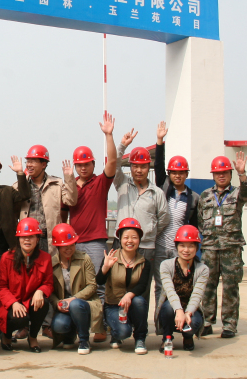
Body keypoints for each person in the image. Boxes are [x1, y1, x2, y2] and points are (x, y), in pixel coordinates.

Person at [62, 112, 117, 343]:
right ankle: (78, 325)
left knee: (98, 285)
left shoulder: (100, 182)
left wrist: (109, 135)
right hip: (74, 243)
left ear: (93, 164)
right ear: (74, 166)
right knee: (76, 285)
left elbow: (112, 162)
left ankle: (100, 326)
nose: (83, 168)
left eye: (87, 164)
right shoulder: (70, 185)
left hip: (95, 241)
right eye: (79, 165)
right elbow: (63, 212)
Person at [198, 153, 247, 339]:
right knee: (207, 286)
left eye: (225, 172)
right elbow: (200, 221)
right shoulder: (205, 196)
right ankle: (207, 322)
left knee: (230, 287)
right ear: (213, 175)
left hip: (231, 248)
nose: (221, 176)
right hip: (210, 249)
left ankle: (229, 325)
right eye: (218, 173)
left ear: (230, 174)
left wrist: (242, 173)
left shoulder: (237, 193)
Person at [114, 130, 170, 312]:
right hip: (121, 245)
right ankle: (119, 323)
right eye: (135, 166)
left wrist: (149, 232)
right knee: (117, 287)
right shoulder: (122, 183)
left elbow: (164, 218)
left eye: (143, 166)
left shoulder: (157, 193)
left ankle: (140, 326)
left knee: (142, 290)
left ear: (149, 167)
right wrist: (122, 146)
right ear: (130, 167)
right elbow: (113, 164)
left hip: (146, 247)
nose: (139, 170)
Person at [0, 218, 54, 353]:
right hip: (10, 303)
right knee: (19, 318)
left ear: (37, 239)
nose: (27, 240)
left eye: (31, 236)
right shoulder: (7, 257)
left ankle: (32, 337)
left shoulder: (45, 258)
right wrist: (13, 303)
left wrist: (41, 291)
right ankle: (6, 336)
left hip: (30, 301)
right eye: (23, 237)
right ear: (18, 239)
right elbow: (1, 286)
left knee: (43, 303)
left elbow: (48, 283)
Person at [97, 218, 152, 355]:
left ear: (139, 240)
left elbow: (142, 286)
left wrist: (129, 295)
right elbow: (99, 281)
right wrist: (105, 268)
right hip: (113, 305)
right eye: (126, 237)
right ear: (120, 239)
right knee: (123, 332)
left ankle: (140, 338)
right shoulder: (111, 257)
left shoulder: (144, 262)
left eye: (134, 237)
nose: (130, 241)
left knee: (139, 301)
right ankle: (116, 333)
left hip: (133, 305)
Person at [153, 121, 201, 275]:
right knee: (160, 282)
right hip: (160, 246)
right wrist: (160, 141)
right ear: (169, 174)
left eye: (181, 173)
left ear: (186, 174)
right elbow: (158, 165)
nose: (177, 176)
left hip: (178, 249)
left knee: (178, 281)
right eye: (174, 173)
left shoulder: (194, 198)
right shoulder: (164, 187)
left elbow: (194, 225)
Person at [48, 224, 103, 355]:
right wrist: (57, 303)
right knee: (59, 325)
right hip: (64, 305)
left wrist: (73, 299)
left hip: (84, 303)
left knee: (76, 305)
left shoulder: (84, 259)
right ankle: (69, 335)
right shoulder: (51, 263)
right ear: (58, 247)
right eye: (65, 246)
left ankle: (84, 340)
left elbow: (92, 285)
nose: (69, 249)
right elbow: (50, 291)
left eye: (72, 245)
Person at [13, 145, 77, 257]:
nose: (29, 165)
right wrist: (20, 175)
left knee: (50, 266)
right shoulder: (19, 186)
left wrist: (69, 178)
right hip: (28, 238)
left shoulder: (56, 184)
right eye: (28, 161)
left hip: (49, 238)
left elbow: (71, 201)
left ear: (43, 164)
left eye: (33, 161)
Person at [156, 225, 209, 352]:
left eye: (191, 246)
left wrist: (188, 313)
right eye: (182, 245)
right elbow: (169, 291)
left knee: (194, 323)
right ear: (176, 247)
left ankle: (188, 337)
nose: (186, 250)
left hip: (190, 308)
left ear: (197, 248)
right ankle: (167, 337)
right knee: (168, 308)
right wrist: (179, 311)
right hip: (171, 307)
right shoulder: (166, 265)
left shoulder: (203, 269)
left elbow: (197, 295)